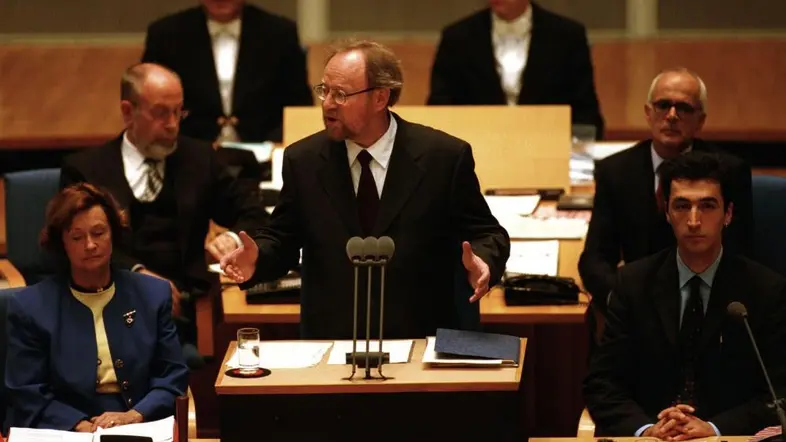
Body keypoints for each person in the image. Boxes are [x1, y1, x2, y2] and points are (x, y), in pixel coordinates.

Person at [220, 39, 510, 339]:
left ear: (380, 98)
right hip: (334, 340)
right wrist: (257, 259)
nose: (328, 103)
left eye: (341, 94)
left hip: (423, 339)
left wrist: (483, 262)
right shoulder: (303, 160)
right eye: (325, 90)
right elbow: (283, 239)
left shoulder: (443, 157)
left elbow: (488, 234)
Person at [60, 63, 268, 364]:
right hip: (108, 302)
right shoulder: (85, 170)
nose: (172, 124)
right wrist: (138, 277)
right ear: (128, 111)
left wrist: (233, 239)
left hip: (186, 311)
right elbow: (74, 244)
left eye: (178, 112)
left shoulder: (199, 160)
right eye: (160, 113)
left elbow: (255, 213)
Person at [583, 151, 786, 437]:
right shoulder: (633, 283)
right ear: (666, 212)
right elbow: (602, 383)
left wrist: (715, 428)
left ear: (727, 214)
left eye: (707, 206)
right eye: (681, 206)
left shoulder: (766, 291)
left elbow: (779, 391)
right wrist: (646, 429)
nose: (693, 220)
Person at [4, 183, 189, 432]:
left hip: (139, 425)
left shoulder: (152, 294)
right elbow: (27, 391)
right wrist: (80, 426)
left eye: (99, 233)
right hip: (63, 430)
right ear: (62, 244)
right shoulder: (30, 307)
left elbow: (172, 375)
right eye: (77, 237)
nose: (90, 245)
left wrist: (135, 415)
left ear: (113, 234)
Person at [578, 68, 753, 315]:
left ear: (700, 120)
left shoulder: (729, 172)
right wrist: (623, 299)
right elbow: (595, 259)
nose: (672, 115)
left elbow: (739, 254)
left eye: (683, 108)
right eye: (663, 105)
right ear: (648, 113)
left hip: (704, 303)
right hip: (637, 305)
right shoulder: (615, 171)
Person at [141, 0, 313, 144]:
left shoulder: (280, 33)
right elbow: (149, 103)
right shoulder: (166, 34)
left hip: (264, 153)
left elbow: (298, 105)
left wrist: (272, 147)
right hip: (187, 155)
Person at [427, 0, 604, 138]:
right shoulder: (457, 37)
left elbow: (585, 111)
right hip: (476, 157)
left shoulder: (568, 36)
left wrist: (580, 168)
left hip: (548, 154)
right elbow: (440, 107)